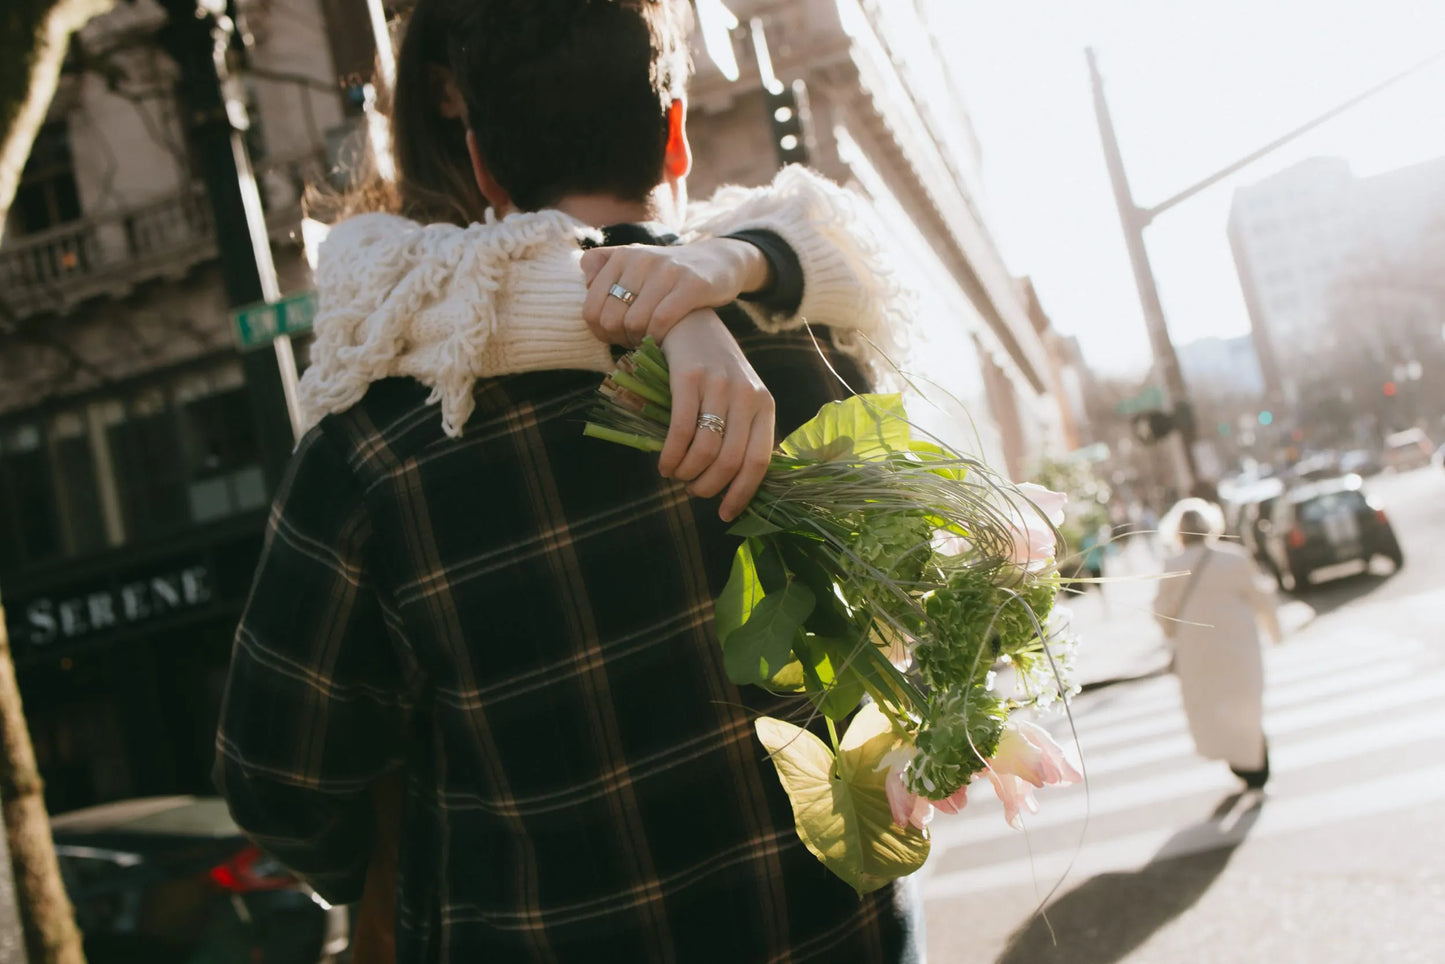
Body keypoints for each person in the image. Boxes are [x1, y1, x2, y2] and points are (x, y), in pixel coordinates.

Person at [213, 1, 920, 961]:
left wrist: (399, 859)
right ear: (675, 135)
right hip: (831, 932)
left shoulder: (377, 441)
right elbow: (906, 602)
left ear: (485, 168)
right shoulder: (809, 345)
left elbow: (275, 779)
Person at [1154, 498, 1281, 790]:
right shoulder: (1234, 557)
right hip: (1239, 646)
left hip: (1197, 652)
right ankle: (1253, 762)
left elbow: (1162, 612)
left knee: (1211, 707)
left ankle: (1239, 763)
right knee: (1245, 701)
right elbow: (1260, 597)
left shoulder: (1173, 565)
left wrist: (1172, 635)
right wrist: (1275, 633)